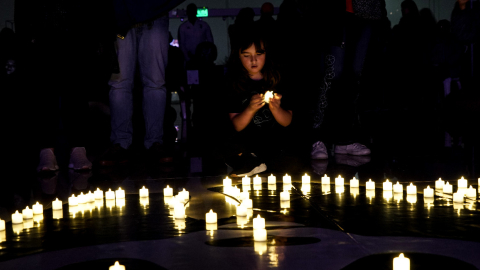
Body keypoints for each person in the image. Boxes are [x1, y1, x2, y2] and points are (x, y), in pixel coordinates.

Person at [224, 28, 293, 177]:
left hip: (273, 142)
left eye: (259, 54)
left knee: (291, 156)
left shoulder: (277, 80)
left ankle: (258, 162)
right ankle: (251, 160)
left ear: (267, 54)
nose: (253, 60)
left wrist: (276, 109)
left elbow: (287, 121)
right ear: (238, 56)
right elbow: (236, 125)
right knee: (222, 146)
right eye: (247, 56)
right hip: (246, 143)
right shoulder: (234, 84)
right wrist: (249, 110)